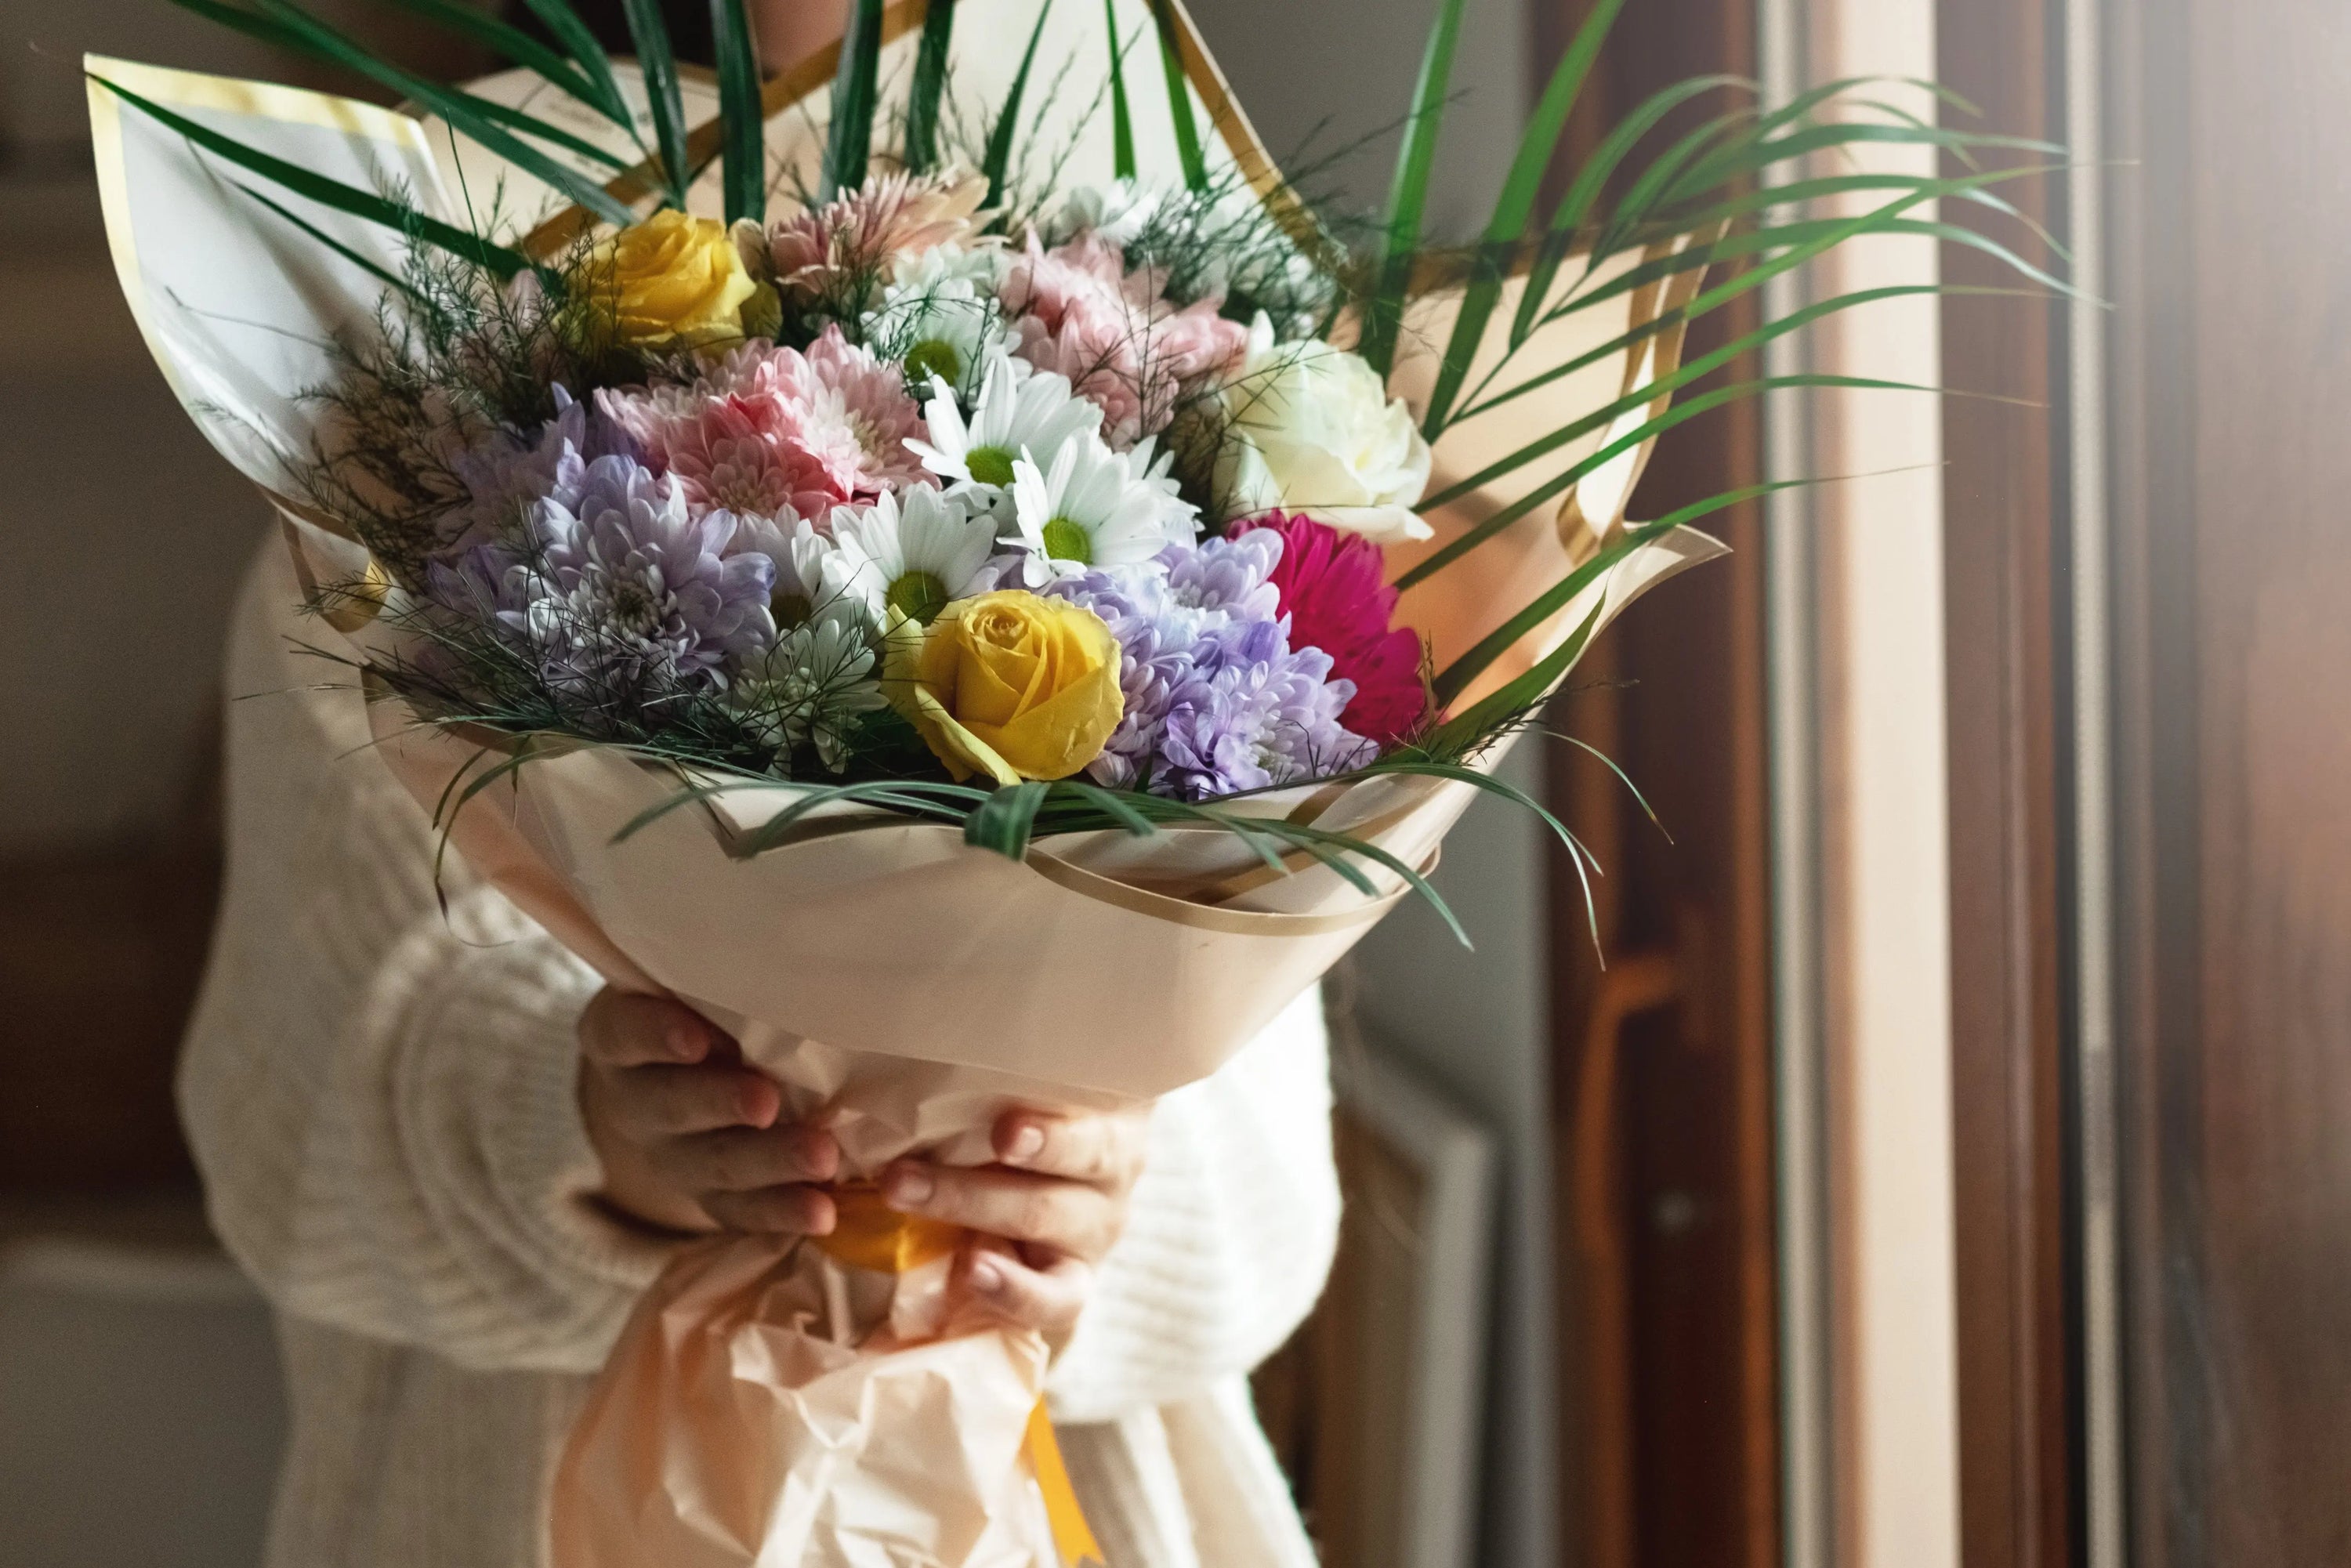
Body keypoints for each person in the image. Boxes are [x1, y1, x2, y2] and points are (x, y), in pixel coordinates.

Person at [178, 547, 1341, 1563]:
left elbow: (1277, 1204)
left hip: (1092, 1509)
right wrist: (587, 1133)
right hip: (488, 1512)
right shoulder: (366, 558)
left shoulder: (1193, 544)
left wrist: (1083, 1192)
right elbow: (285, 1140)